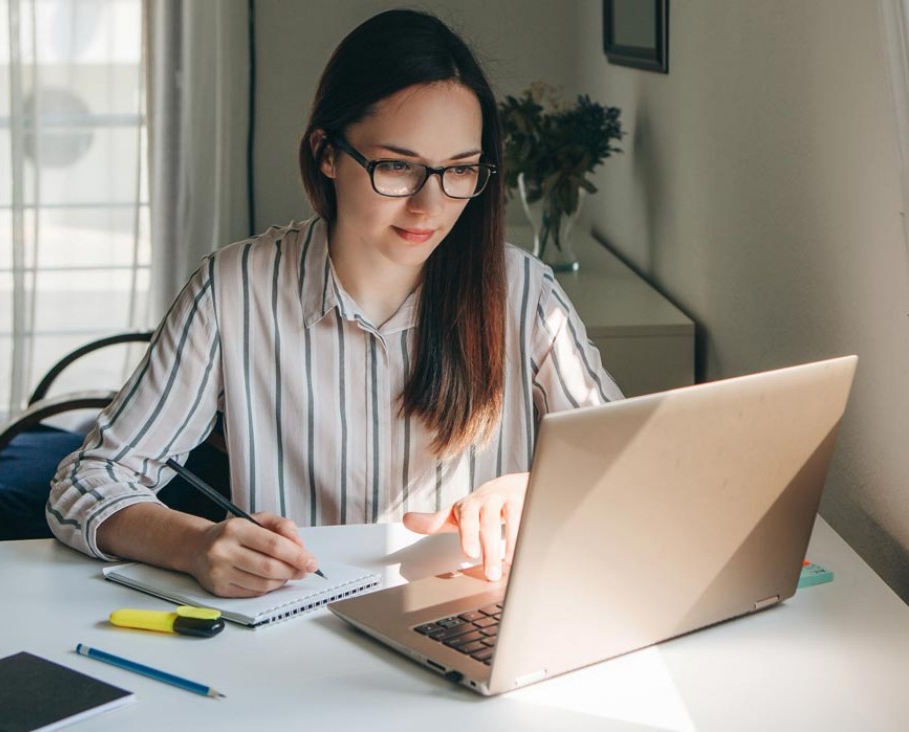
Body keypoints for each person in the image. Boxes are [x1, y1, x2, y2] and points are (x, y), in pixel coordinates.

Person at [47, 9, 621, 598]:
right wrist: (193, 544)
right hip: (293, 626)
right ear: (327, 152)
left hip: (474, 616)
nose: (430, 205)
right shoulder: (233, 290)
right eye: (398, 167)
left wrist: (536, 489)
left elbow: (629, 462)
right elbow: (88, 481)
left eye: (460, 171)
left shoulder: (524, 293)